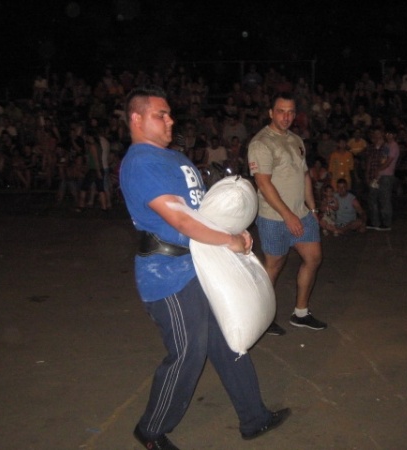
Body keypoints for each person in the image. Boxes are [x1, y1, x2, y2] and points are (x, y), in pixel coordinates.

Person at [120, 86, 290, 450]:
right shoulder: (141, 163)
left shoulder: (174, 158)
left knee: (228, 340)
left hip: (199, 264)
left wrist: (232, 228)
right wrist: (228, 240)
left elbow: (201, 211)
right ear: (136, 119)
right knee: (187, 352)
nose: (171, 120)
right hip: (167, 273)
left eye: (169, 113)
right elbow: (181, 219)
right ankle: (150, 431)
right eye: (160, 115)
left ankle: (254, 417)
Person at [248, 91, 326, 336]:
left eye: (291, 112)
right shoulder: (261, 143)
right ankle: (263, 318)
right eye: (281, 111)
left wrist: (312, 208)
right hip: (274, 217)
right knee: (274, 266)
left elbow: (305, 175)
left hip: (301, 213)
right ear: (271, 113)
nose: (286, 116)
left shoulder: (296, 140)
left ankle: (300, 313)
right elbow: (263, 184)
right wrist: (287, 215)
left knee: (313, 258)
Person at [366, 127, 399, 230]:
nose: (388, 136)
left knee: (385, 200)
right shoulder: (386, 145)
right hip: (378, 175)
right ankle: (375, 222)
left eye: (391, 134)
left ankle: (386, 223)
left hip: (386, 175)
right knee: (373, 198)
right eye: (387, 134)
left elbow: (388, 162)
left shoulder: (394, 146)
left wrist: (377, 170)